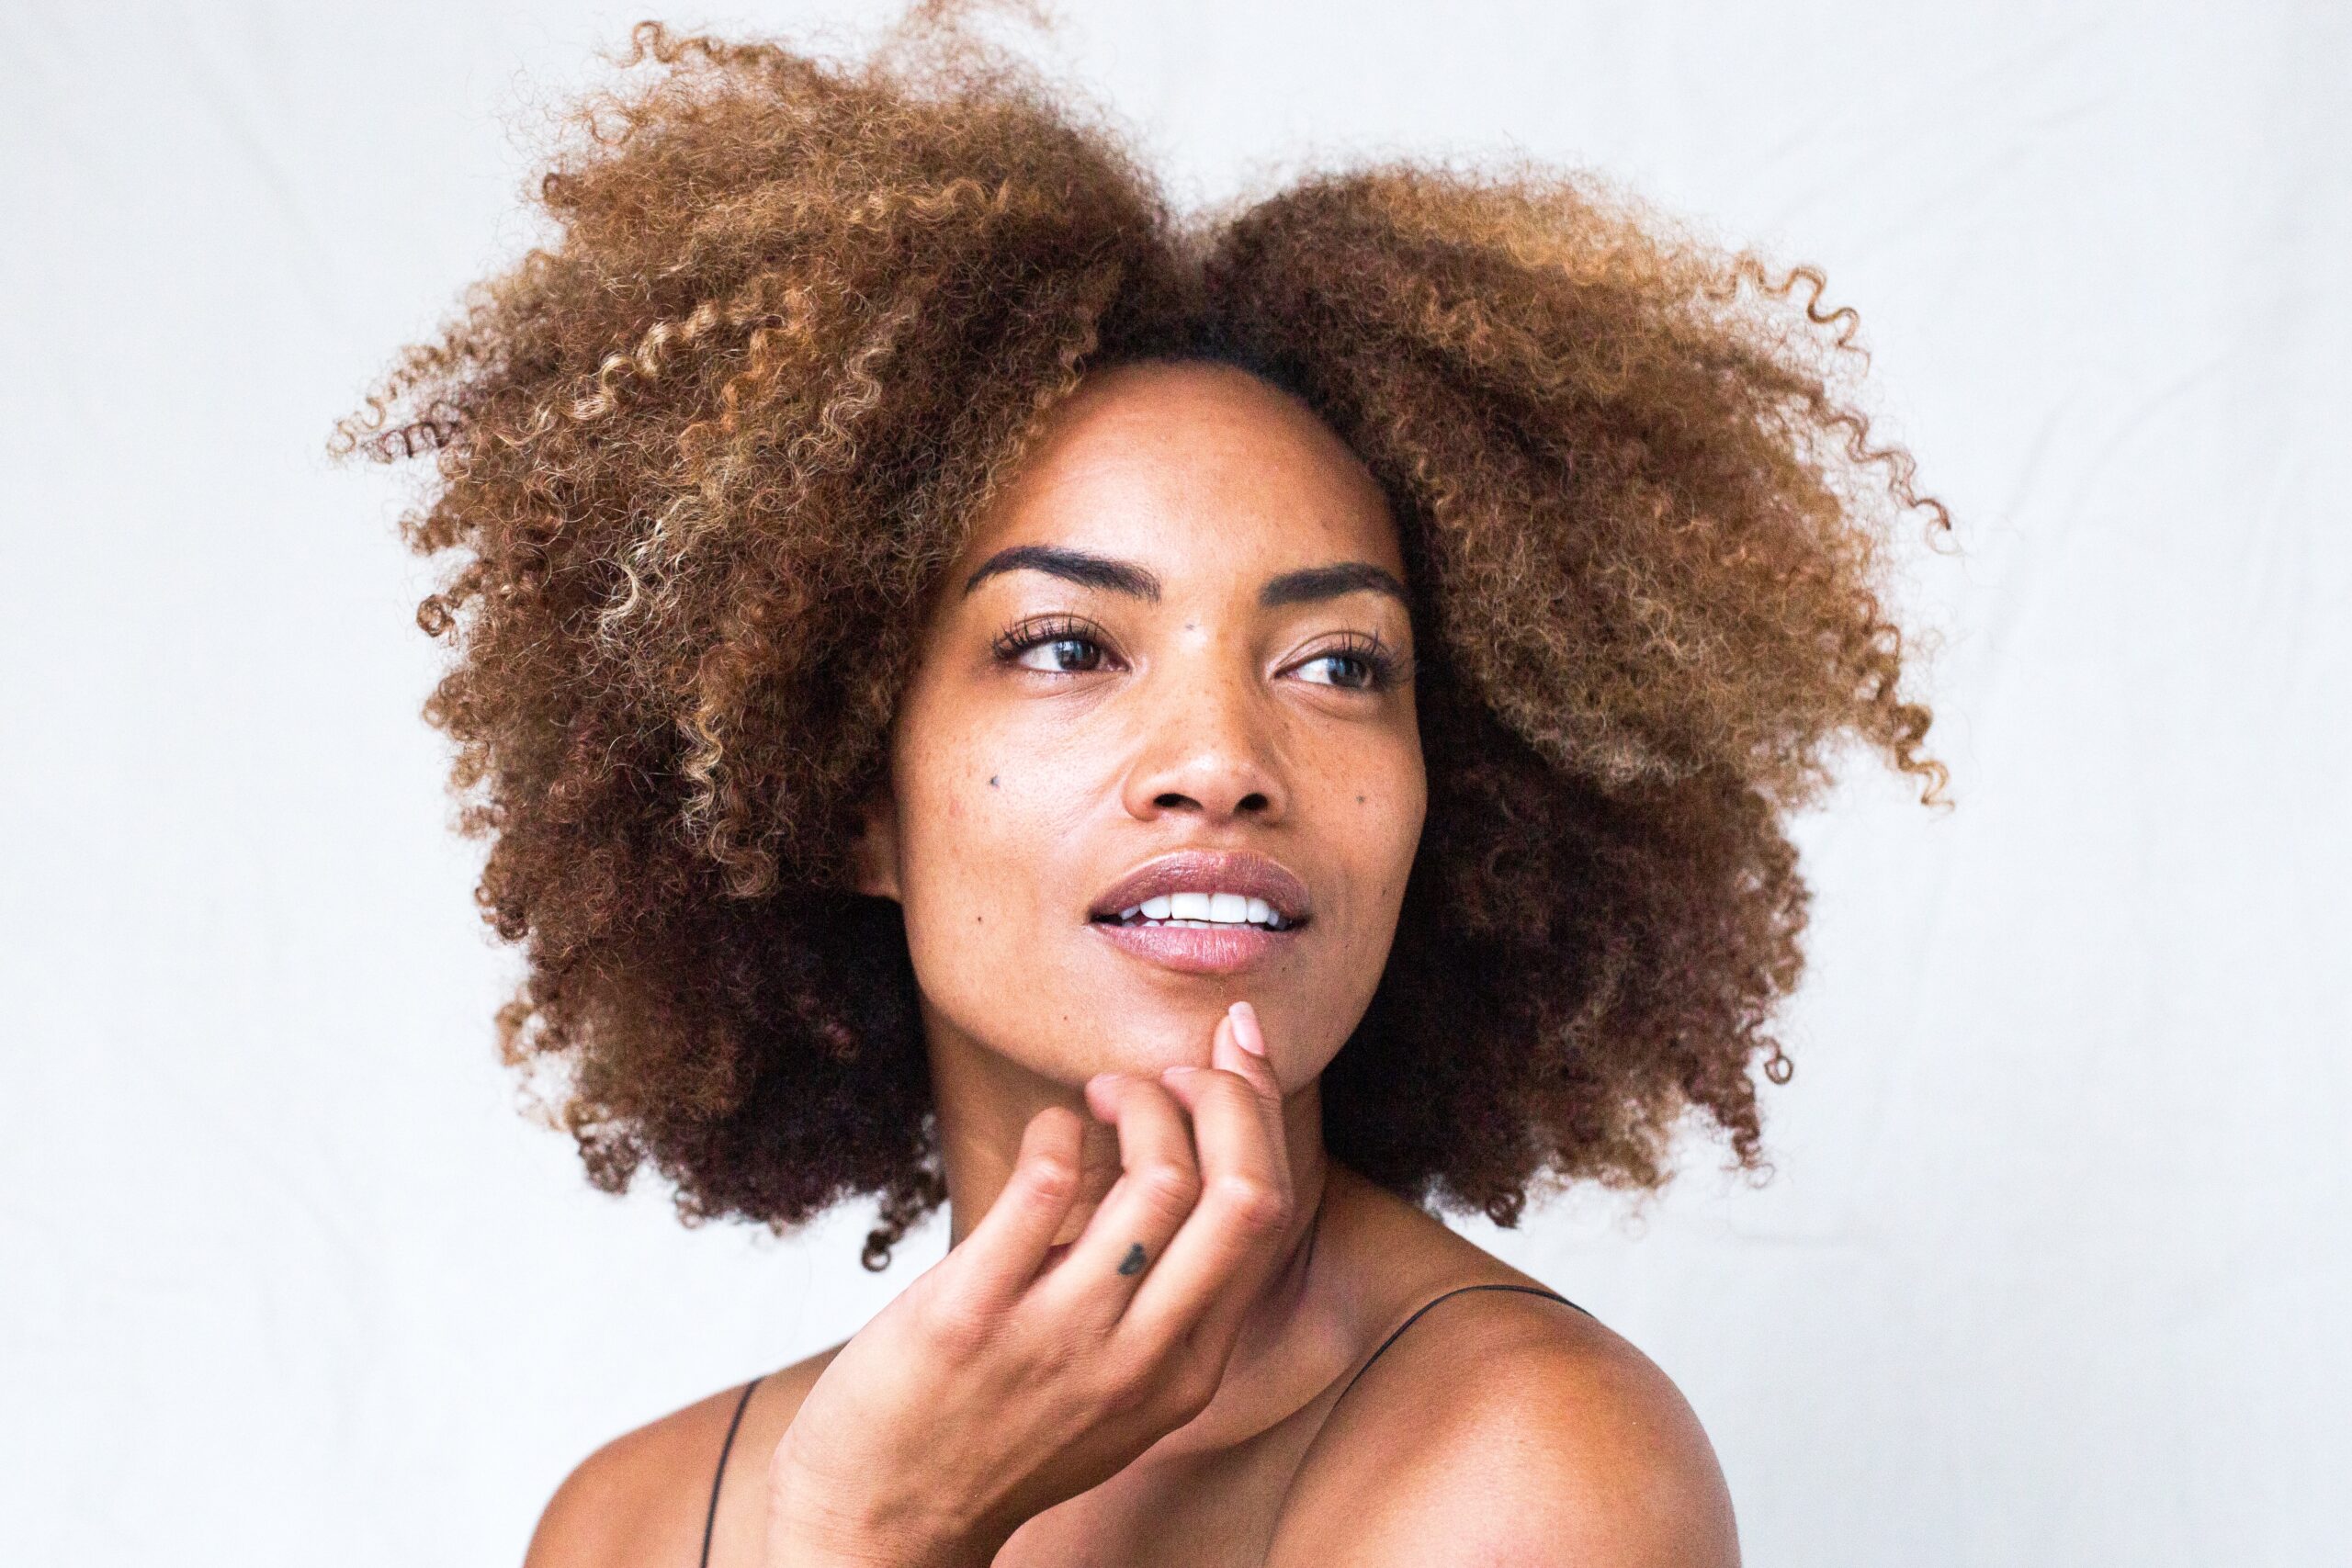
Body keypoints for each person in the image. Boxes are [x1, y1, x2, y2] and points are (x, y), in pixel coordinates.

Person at [338, 16, 1948, 1565]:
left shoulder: (1537, 1465)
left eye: (1337, 665)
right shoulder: (630, 1524)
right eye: (1064, 646)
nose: (1222, 765)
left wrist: (873, 1546)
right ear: (840, 790)